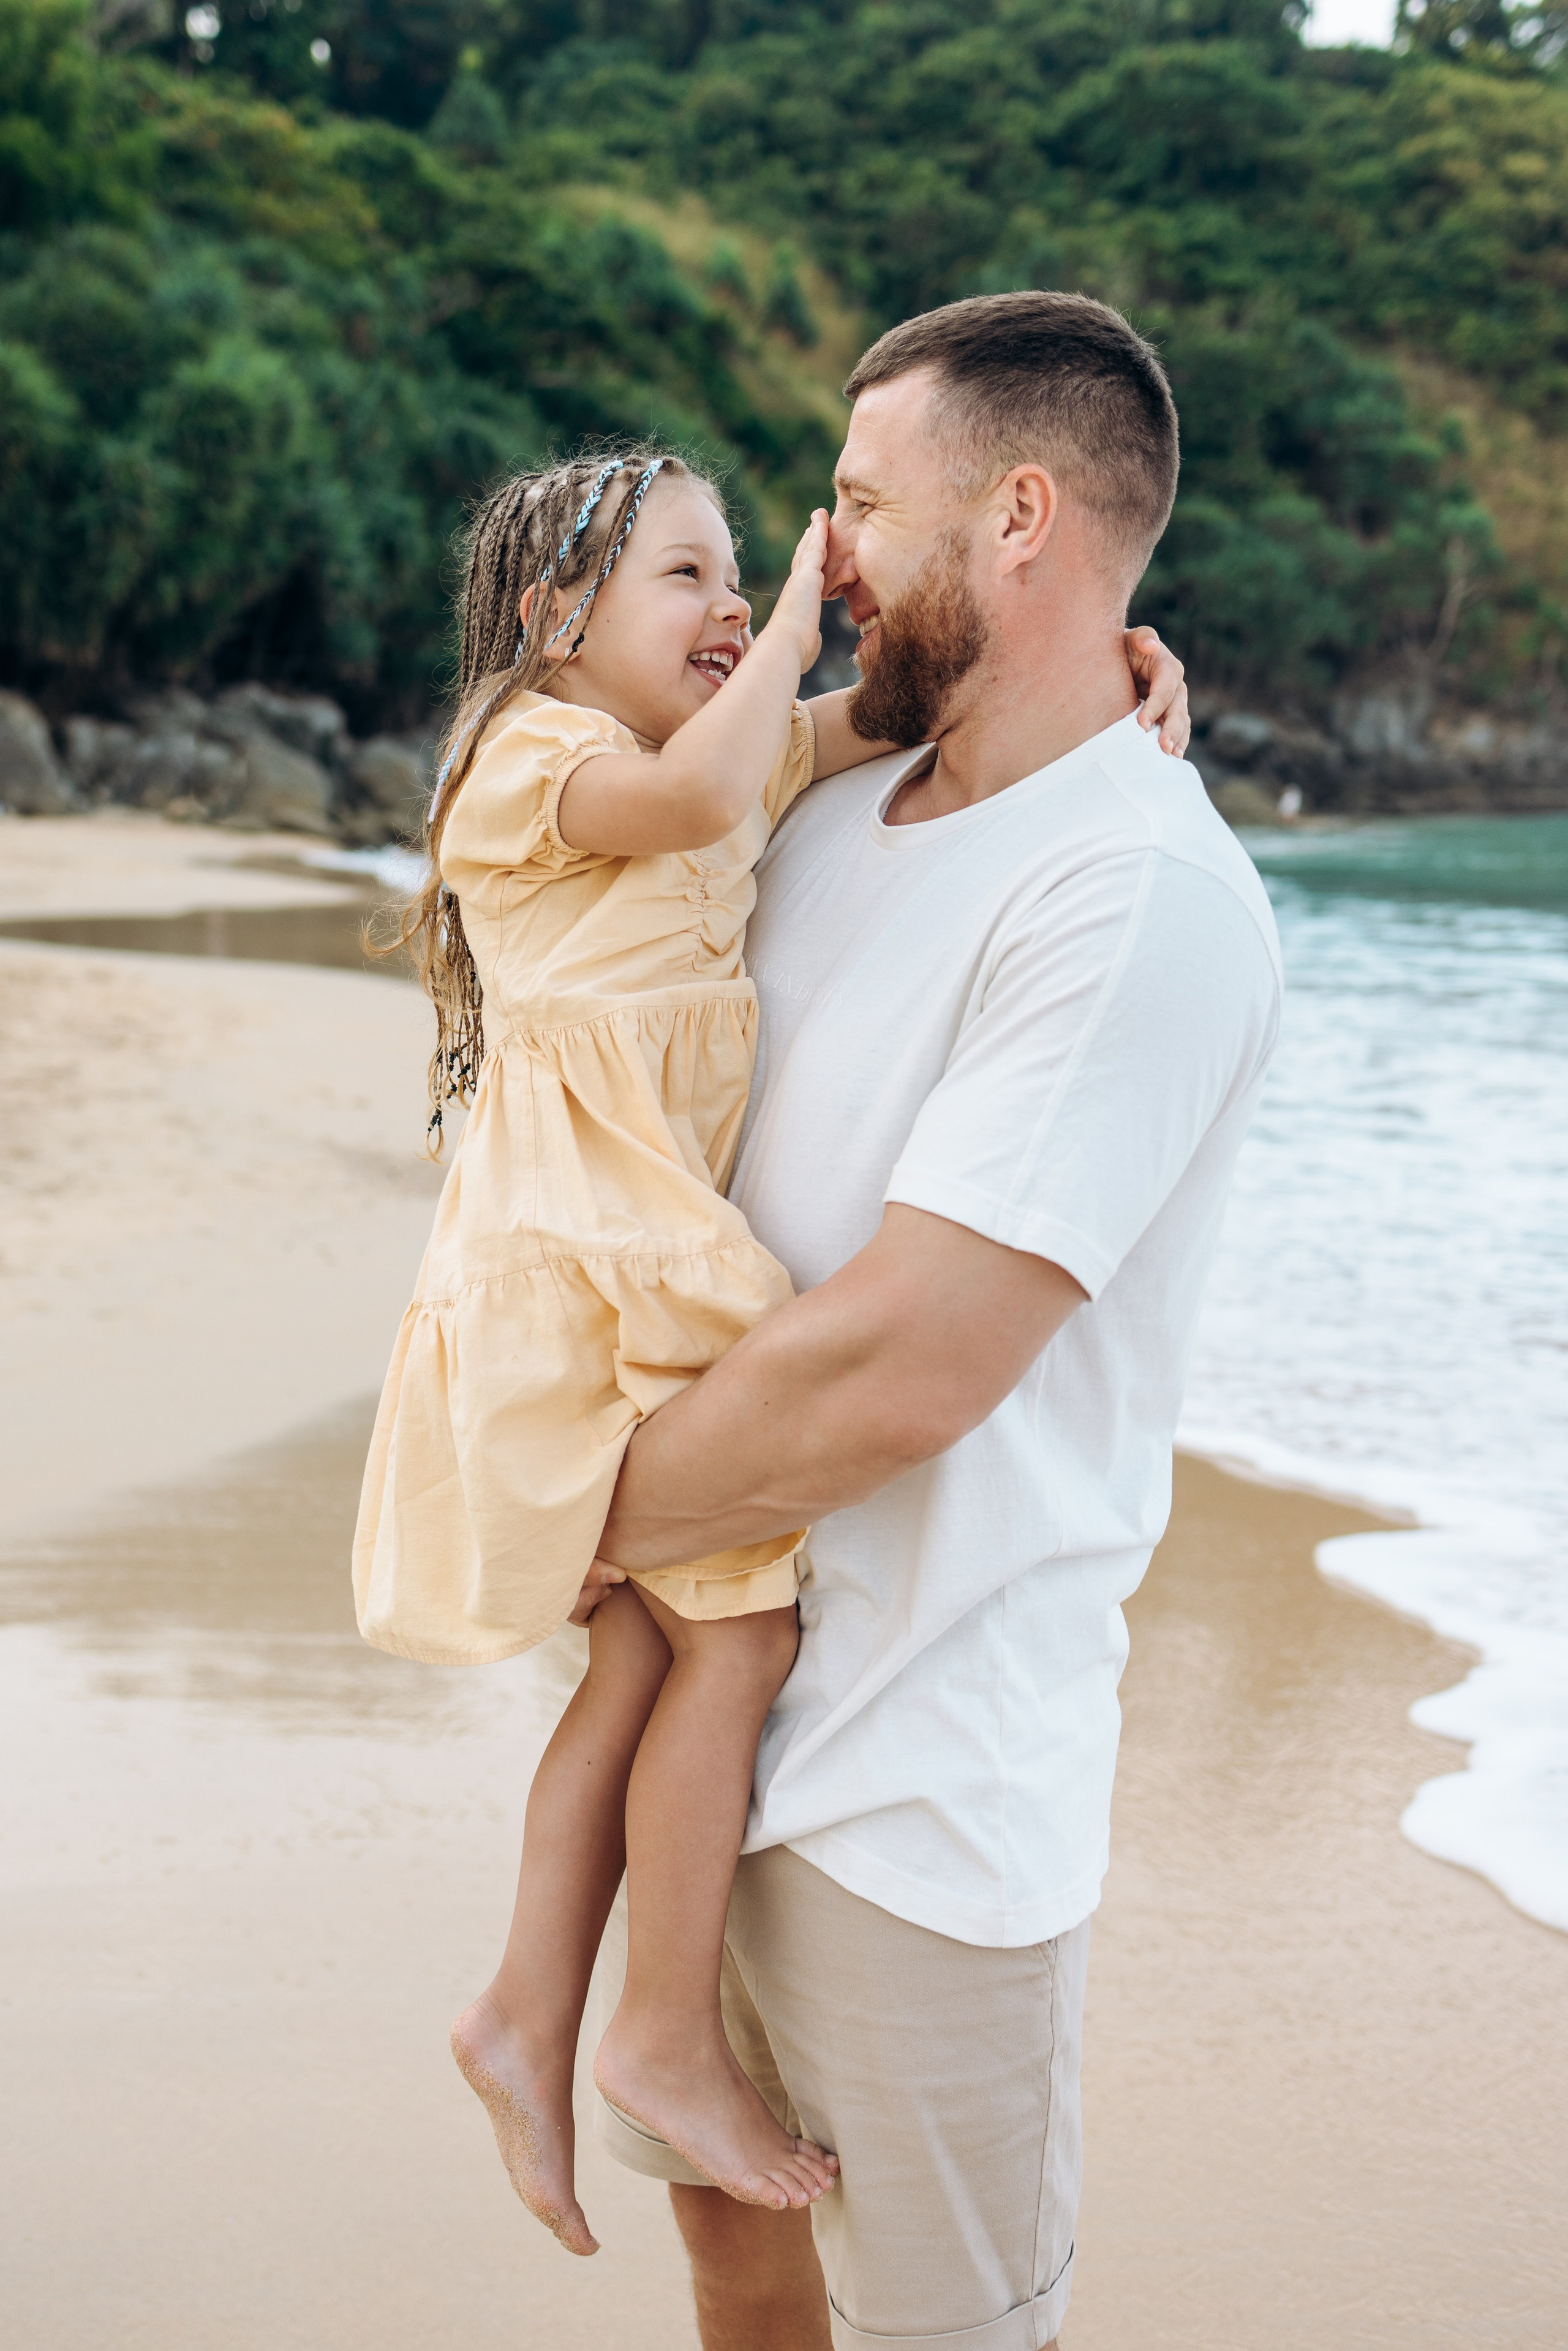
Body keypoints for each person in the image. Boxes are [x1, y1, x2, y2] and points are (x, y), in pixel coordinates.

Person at [351, 442, 1193, 2257]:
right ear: (546, 616)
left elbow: (854, 737)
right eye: (693, 579)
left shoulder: (696, 765)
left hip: (618, 1254)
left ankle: (524, 2007)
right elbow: (723, 778)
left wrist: (1111, 683)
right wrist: (810, 614)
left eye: (751, 572)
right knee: (738, 1630)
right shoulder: (534, 760)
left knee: (660, 1652)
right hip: (591, 1258)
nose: (737, 607)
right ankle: (649, 2034)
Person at [589, 292, 1284, 2350]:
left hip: (922, 1781)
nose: (824, 557)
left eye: (864, 505)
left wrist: (563, 1511)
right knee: (733, 2236)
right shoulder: (811, 803)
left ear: (1024, 519)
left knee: (949, 2328)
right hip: (702, 1720)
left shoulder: (1136, 889)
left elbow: (911, 1357)